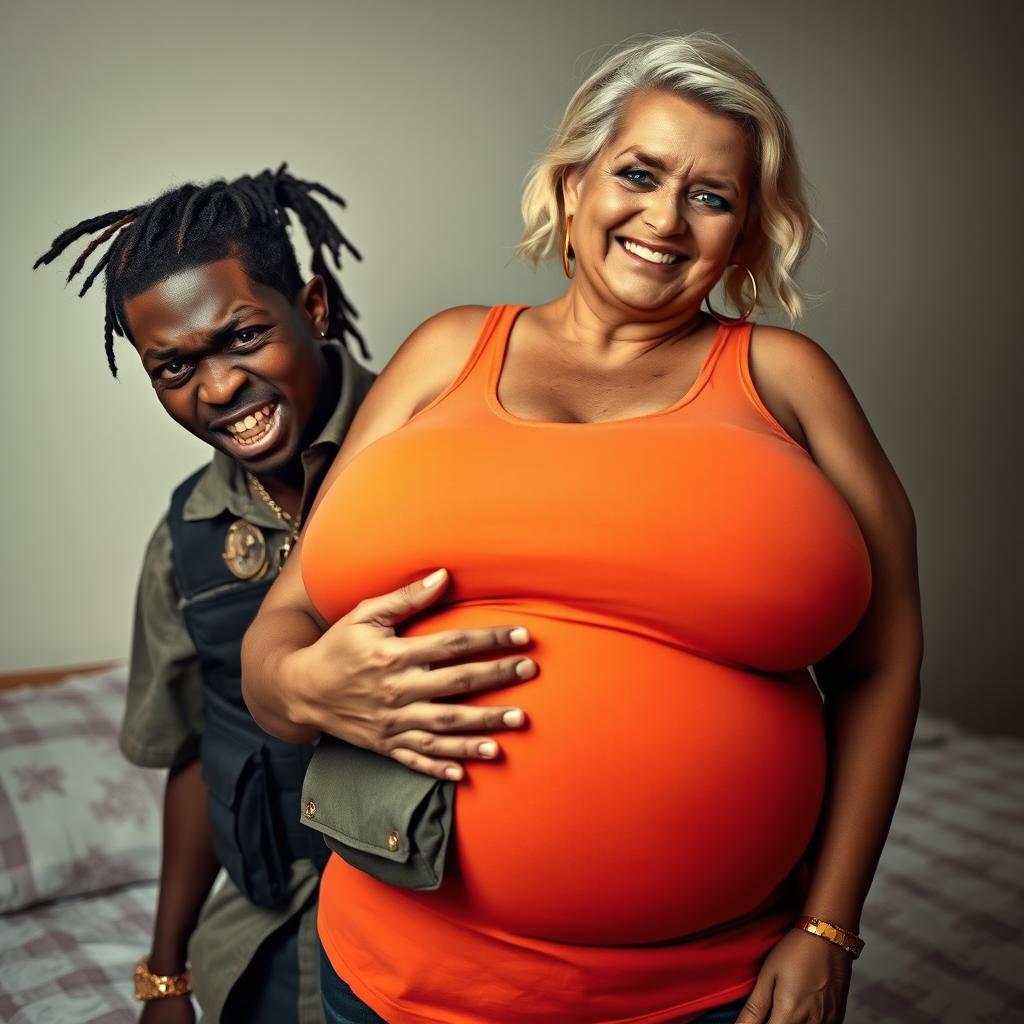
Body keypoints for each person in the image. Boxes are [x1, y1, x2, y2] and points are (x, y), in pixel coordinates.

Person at [241, 33, 923, 1024]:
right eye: (638, 173)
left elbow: (884, 658)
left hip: (700, 992)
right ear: (572, 186)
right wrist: (300, 684)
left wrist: (827, 929)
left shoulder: (787, 381)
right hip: (396, 977)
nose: (664, 218)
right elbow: (282, 623)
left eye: (711, 195)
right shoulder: (444, 352)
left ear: (742, 233)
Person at [32, 167, 530, 1023]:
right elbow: (197, 751)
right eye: (175, 367)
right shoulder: (187, 538)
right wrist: (166, 975)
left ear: (315, 307)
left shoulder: (450, 450)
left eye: (243, 336)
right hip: (266, 940)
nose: (218, 387)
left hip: (450, 934)